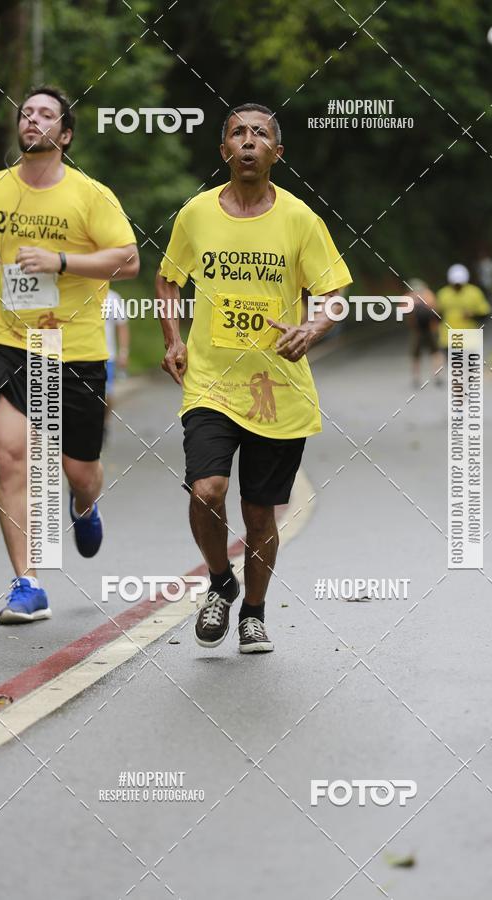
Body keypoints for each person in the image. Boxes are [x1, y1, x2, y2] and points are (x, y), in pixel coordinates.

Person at [155, 102, 352, 654]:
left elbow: (334, 292)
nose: (248, 141)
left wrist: (312, 328)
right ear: (223, 150)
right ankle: (221, 581)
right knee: (207, 489)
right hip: (211, 382)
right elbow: (168, 279)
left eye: (260, 134)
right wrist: (172, 339)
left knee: (259, 513)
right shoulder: (196, 214)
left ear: (276, 153)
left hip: (277, 389)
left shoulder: (299, 219)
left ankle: (254, 614)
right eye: (237, 133)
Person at [0, 86, 139, 624]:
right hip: (10, 342)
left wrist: (60, 261)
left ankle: (84, 504)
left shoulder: (91, 195)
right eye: (26, 112)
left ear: (65, 134)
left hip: (73, 349)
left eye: (46, 114)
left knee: (78, 471)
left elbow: (128, 260)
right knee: (13, 458)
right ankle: (28, 583)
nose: (32, 119)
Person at [436, 264, 491, 354]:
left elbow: (485, 315)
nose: (457, 286)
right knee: (456, 362)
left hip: (470, 337)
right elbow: (437, 315)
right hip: (449, 338)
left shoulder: (474, 293)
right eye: (455, 284)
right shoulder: (443, 294)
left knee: (468, 363)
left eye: (460, 284)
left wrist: (473, 316)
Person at [103, 287, 130, 442]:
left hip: (108, 356)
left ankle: (105, 423)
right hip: (86, 354)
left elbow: (122, 327)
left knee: (107, 394)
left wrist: (123, 352)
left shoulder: (113, 298)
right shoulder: (82, 293)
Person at [405, 278, 442, 387]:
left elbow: (405, 313)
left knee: (416, 355)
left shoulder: (408, 297)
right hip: (431, 328)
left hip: (417, 330)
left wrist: (412, 323)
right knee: (435, 352)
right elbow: (436, 310)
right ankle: (438, 376)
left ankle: (416, 378)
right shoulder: (429, 295)